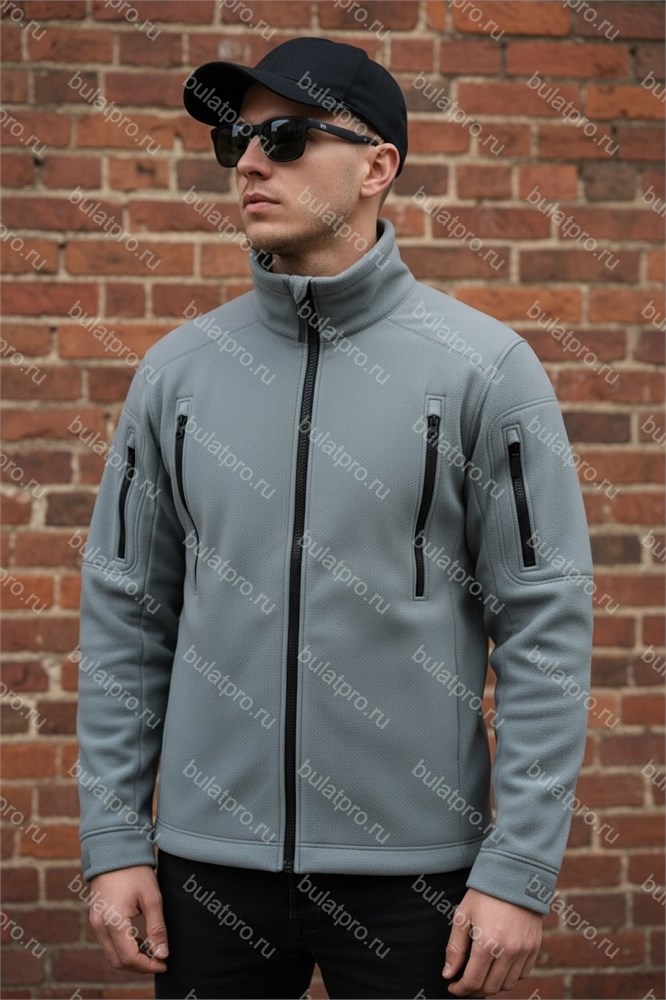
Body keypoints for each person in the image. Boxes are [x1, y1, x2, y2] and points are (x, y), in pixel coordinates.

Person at [75, 36, 594, 1000]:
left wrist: (519, 868)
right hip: (208, 870)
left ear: (376, 167)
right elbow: (127, 615)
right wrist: (114, 839)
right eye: (235, 140)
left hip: (420, 882)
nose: (251, 161)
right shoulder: (175, 377)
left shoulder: (485, 372)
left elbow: (545, 626)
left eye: (285, 136)